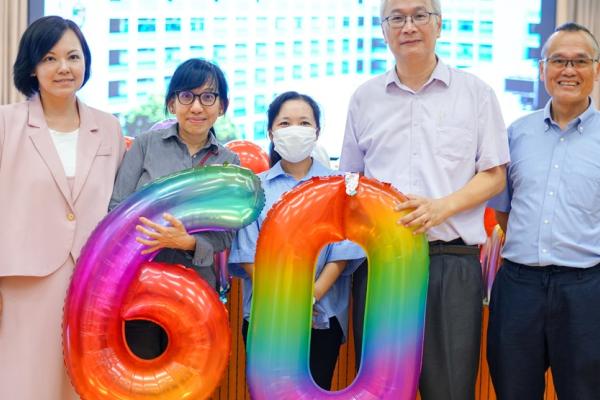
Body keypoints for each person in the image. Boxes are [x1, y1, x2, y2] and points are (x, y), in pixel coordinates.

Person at [339, 0, 509, 398]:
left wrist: (439, 208)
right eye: (396, 18)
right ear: (384, 30)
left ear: (439, 25)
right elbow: (350, 180)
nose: (408, 26)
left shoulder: (476, 93)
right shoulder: (364, 98)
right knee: (378, 391)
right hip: (382, 264)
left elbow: (494, 175)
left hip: (450, 262)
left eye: (419, 15)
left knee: (449, 389)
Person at [0, 16, 125, 400]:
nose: (63, 68)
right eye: (49, 58)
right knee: (25, 384)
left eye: (73, 57)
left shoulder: (108, 127)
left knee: (82, 385)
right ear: (32, 67)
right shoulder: (6, 124)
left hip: (92, 282)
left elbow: (117, 208)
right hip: (23, 284)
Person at [487, 22, 600, 400]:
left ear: (596, 69)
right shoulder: (515, 133)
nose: (569, 70)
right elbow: (504, 212)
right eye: (558, 61)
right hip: (519, 287)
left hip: (586, 291)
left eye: (580, 61)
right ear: (542, 69)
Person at [228, 91, 364, 390]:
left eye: (304, 123)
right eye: (285, 123)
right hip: (268, 316)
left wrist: (310, 297)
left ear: (317, 131)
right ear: (271, 132)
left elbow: (342, 253)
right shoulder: (256, 189)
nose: (295, 130)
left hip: (322, 316)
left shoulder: (339, 186)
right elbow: (249, 255)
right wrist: (285, 301)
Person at [109, 58, 239, 360]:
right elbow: (116, 211)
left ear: (222, 106)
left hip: (196, 292)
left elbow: (226, 235)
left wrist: (188, 243)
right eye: (187, 96)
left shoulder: (228, 163)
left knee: (190, 375)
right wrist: (150, 235)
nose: (197, 107)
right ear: (172, 103)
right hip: (142, 285)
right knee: (144, 372)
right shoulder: (145, 145)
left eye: (208, 97)